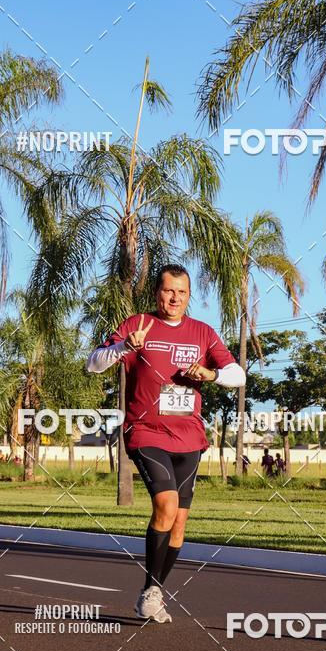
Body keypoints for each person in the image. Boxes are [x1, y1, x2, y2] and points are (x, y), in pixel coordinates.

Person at [87, 264, 245, 623]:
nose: (174, 298)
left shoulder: (203, 333)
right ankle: (151, 591)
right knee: (167, 503)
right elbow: (93, 363)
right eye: (168, 291)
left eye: (182, 292)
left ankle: (152, 591)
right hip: (146, 433)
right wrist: (124, 347)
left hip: (189, 437)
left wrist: (212, 374)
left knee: (179, 523)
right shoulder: (137, 324)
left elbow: (238, 374)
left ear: (189, 296)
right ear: (157, 293)